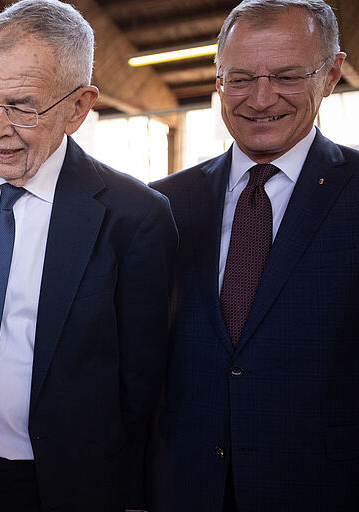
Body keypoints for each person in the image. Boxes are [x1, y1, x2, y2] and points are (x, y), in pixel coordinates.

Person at [0, 1, 178, 510]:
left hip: (53, 488)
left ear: (78, 108)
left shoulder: (134, 218)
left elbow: (140, 387)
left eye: (22, 106)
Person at [148, 1, 357, 510]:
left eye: (287, 76)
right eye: (240, 79)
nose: (261, 100)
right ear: (218, 81)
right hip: (183, 490)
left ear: (330, 75)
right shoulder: (159, 205)